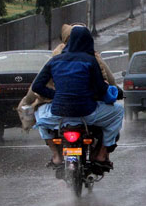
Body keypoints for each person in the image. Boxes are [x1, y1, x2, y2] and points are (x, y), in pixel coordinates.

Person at [32, 26, 124, 171]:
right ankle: (101, 154)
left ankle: (56, 155)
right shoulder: (90, 60)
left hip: (58, 115)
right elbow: (100, 89)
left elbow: (37, 86)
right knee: (118, 111)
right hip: (87, 114)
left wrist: (56, 96)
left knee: (38, 113)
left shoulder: (54, 60)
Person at [16, 23, 116, 132]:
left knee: (42, 121)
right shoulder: (91, 57)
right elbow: (108, 81)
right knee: (117, 112)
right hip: (86, 108)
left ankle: (53, 148)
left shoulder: (56, 57)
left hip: (58, 107)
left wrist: (29, 101)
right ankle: (104, 147)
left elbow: (36, 86)